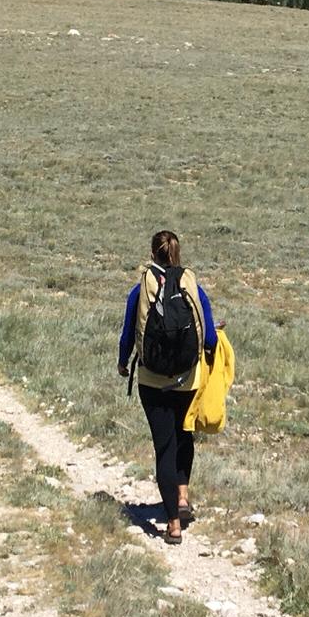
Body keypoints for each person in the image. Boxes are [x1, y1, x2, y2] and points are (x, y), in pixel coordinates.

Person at [117, 229, 219, 545]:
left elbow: (127, 334)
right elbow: (210, 337)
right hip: (186, 379)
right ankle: (183, 496)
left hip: (152, 380)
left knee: (164, 446)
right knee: (183, 434)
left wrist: (123, 364)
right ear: (177, 252)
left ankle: (172, 524)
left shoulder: (140, 290)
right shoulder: (193, 287)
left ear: (152, 253)